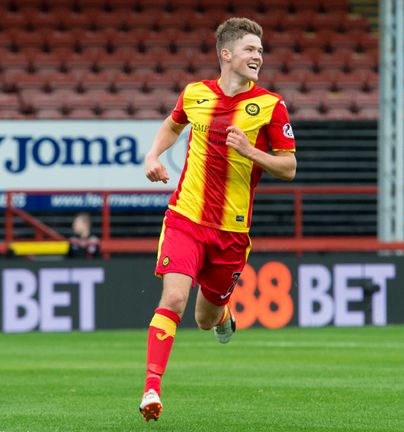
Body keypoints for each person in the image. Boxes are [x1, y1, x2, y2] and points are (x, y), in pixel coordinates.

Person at [139, 17, 297, 422]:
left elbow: (289, 167)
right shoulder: (195, 94)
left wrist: (249, 151)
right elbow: (173, 126)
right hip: (185, 218)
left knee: (205, 319)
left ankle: (224, 313)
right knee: (173, 298)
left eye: (260, 51)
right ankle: (152, 389)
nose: (258, 56)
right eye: (250, 49)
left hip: (231, 232)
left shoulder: (270, 106)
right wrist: (153, 155)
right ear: (226, 54)